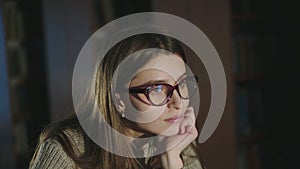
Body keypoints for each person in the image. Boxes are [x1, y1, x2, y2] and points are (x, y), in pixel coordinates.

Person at [29, 33, 205, 169]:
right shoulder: (67, 150)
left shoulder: (176, 138)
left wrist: (172, 161)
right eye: (157, 89)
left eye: (182, 83)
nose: (178, 103)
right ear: (119, 100)